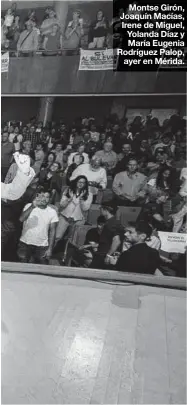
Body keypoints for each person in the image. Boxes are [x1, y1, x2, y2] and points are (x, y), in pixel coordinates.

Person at [17, 189, 59, 264]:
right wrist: (32, 206)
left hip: (42, 246)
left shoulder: (52, 212)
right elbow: (21, 219)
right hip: (25, 244)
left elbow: (53, 231)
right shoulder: (29, 206)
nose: (44, 199)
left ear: (49, 199)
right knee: (22, 269)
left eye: (47, 197)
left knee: (42, 271)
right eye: (42, 196)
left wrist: (50, 249)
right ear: (38, 196)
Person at [55, 176, 93, 245]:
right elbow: (61, 205)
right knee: (57, 237)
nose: (81, 184)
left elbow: (85, 208)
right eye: (79, 182)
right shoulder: (68, 190)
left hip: (78, 219)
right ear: (76, 182)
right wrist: (69, 199)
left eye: (83, 183)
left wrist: (81, 200)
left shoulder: (89, 194)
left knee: (73, 241)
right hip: (65, 217)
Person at [91, 201, 123, 270]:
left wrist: (108, 255)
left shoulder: (111, 224)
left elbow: (117, 241)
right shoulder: (111, 222)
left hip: (103, 255)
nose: (100, 209)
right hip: (102, 254)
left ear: (106, 210)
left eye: (101, 208)